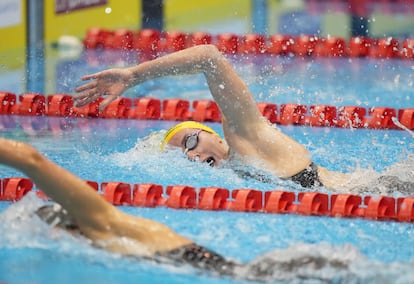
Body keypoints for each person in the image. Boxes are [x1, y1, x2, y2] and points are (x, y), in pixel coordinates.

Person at [0, 137, 354, 282]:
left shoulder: (101, 221)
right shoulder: (113, 231)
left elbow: (32, 159)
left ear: (65, 227)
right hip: (235, 270)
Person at [74, 44, 412, 192]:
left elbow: (208, 57)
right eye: (184, 153)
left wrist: (134, 76)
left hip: (389, 191)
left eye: (190, 140)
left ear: (214, 134)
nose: (191, 154)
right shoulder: (237, 171)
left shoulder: (246, 135)